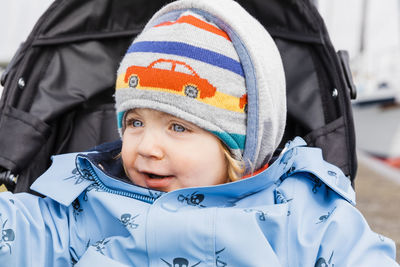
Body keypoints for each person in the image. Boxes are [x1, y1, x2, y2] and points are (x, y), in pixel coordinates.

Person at [0, 0, 398, 266]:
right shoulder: (89, 204)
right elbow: (24, 231)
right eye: (135, 122)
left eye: (178, 126)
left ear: (241, 146)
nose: (146, 147)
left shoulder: (302, 214)